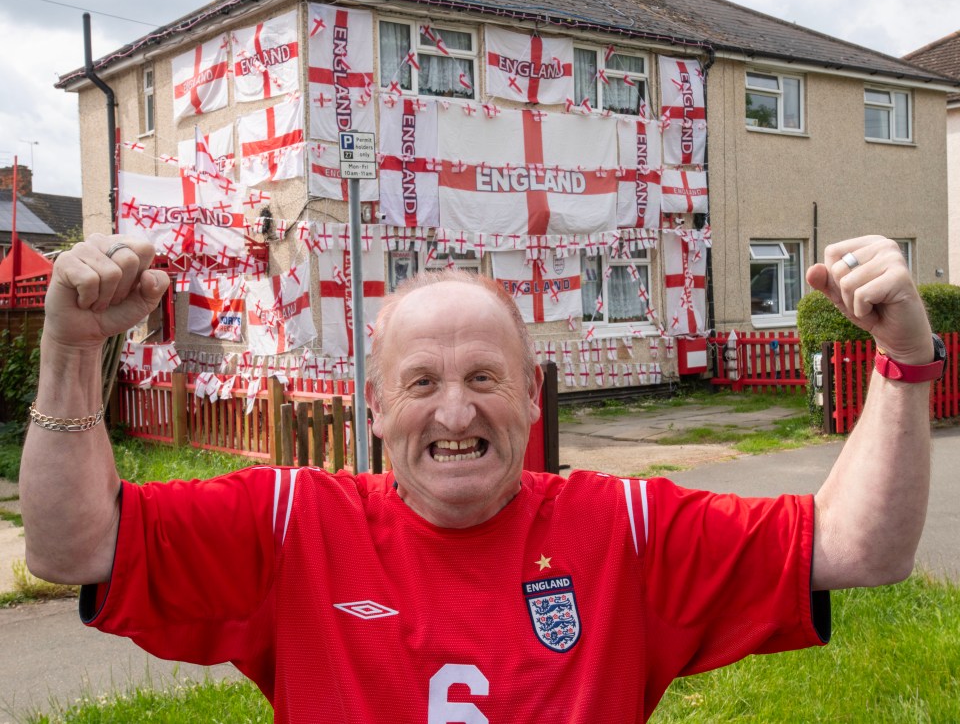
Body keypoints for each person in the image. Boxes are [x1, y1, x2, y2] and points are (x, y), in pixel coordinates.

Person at [20, 233, 937, 723]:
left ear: (533, 401)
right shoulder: (289, 524)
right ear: (374, 410)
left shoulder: (627, 528)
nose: (454, 413)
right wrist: (68, 348)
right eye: (421, 383)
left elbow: (860, 544)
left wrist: (903, 360)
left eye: (483, 379)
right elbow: (74, 545)